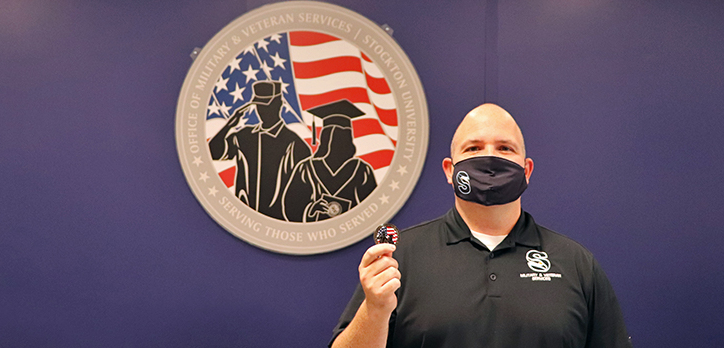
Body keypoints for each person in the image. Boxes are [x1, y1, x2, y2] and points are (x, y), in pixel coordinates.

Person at [329, 103, 632, 348]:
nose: (489, 158)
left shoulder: (576, 263)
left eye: (504, 148)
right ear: (449, 170)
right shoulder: (401, 258)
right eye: (473, 148)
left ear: (526, 170)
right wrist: (376, 310)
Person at [209, 81, 311, 220]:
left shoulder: (295, 145)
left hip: (278, 222)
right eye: (258, 106)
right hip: (241, 218)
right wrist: (229, 126)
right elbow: (213, 153)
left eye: (267, 106)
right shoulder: (244, 135)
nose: (262, 111)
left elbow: (302, 193)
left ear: (279, 104)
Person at [282, 99, 377, 222]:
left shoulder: (362, 170)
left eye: (343, 136)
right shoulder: (306, 168)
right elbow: (291, 206)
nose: (338, 142)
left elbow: (373, 208)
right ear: (325, 138)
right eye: (334, 136)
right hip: (315, 232)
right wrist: (312, 209)